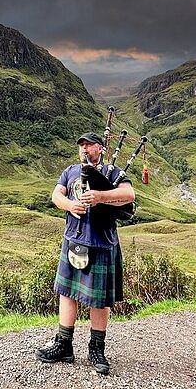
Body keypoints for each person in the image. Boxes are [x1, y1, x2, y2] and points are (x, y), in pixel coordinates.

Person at [35, 132, 136, 375]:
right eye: (81, 145)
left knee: (99, 300)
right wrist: (70, 205)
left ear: (100, 149)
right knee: (66, 292)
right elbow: (56, 195)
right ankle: (64, 344)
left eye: (89, 145)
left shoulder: (112, 173)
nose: (84, 149)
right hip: (74, 239)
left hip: (101, 242)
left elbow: (129, 196)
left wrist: (101, 196)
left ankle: (96, 348)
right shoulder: (70, 171)